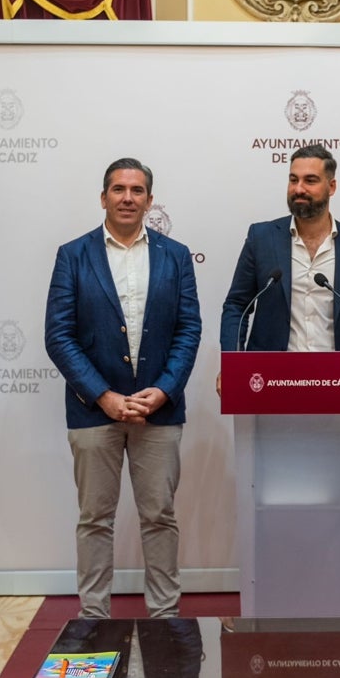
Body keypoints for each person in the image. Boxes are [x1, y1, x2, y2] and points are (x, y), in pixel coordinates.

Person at [45, 158, 202, 619]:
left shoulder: (176, 255)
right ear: (103, 198)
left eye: (137, 190)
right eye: (118, 189)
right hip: (93, 411)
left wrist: (165, 390)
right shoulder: (73, 255)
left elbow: (188, 329)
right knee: (95, 520)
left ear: (150, 201)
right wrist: (104, 396)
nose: (127, 197)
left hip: (160, 411)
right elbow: (59, 335)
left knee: (159, 518)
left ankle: (165, 617)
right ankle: (93, 617)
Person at [218, 143, 340, 368]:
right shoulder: (261, 238)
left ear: (331, 186)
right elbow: (236, 305)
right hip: (272, 379)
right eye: (293, 180)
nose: (298, 189)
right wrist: (233, 365)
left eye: (310, 181)